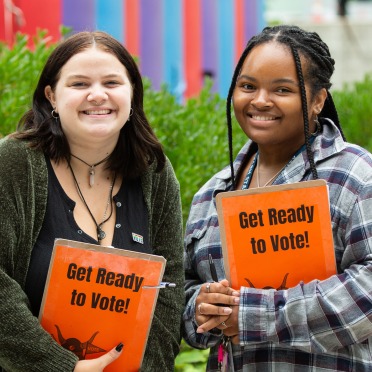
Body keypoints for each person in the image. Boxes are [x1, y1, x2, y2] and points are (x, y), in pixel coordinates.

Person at [183, 24, 372, 371]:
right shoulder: (212, 192)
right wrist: (201, 307)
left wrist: (255, 316)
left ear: (318, 100)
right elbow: (184, 289)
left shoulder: (356, 176)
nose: (259, 101)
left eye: (282, 89)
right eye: (247, 86)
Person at [0, 31, 184, 371]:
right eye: (79, 84)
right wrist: (60, 366)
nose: (97, 95)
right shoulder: (13, 162)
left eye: (112, 82)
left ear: (132, 94)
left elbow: (168, 292)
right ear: (52, 96)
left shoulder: (153, 172)